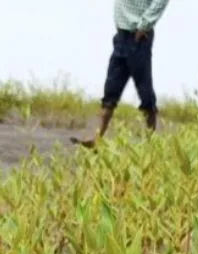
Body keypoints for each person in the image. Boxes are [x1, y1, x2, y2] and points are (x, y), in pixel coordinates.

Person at [73, 0, 170, 148]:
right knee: (111, 87)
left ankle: (152, 141)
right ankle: (97, 138)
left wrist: (144, 25)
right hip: (121, 36)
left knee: (144, 89)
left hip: (138, 36)